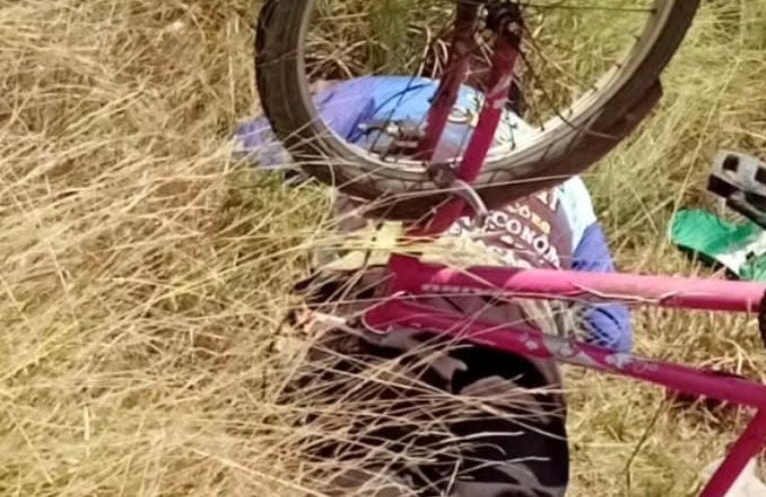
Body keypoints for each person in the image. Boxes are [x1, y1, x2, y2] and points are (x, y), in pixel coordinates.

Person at [234, 75, 631, 496]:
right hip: (517, 343)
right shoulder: (565, 172)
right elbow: (611, 334)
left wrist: (322, 97)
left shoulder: (396, 92)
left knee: (368, 471)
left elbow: (246, 153)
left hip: (392, 290)